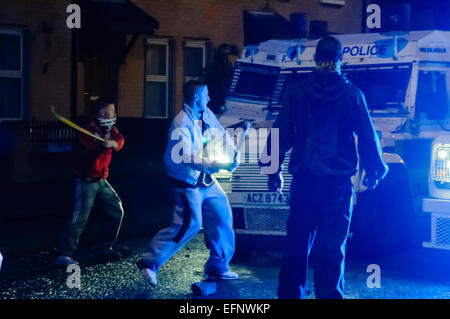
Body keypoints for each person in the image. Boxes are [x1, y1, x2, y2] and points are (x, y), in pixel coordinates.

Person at [262, 36, 389, 299]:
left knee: (297, 246)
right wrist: (374, 170)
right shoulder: (353, 95)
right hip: (336, 187)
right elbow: (368, 136)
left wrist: (272, 170)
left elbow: (280, 132)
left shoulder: (297, 93)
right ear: (341, 60)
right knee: (332, 250)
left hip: (304, 183)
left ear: (316, 59)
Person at [136, 80, 239, 286]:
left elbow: (220, 133)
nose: (209, 98)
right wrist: (216, 165)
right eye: (206, 94)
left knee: (222, 215)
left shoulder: (206, 113)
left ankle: (218, 267)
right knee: (188, 225)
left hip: (205, 179)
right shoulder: (181, 123)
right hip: (186, 181)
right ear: (196, 98)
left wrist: (232, 152)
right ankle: (150, 263)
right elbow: (187, 157)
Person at [53, 99, 127, 266]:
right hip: (86, 180)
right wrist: (101, 144)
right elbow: (91, 148)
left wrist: (112, 142)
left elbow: (120, 140)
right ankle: (63, 253)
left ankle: (105, 247)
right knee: (79, 216)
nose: (114, 115)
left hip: (102, 180)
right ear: (101, 114)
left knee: (116, 210)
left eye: (114, 112)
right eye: (110, 112)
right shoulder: (87, 131)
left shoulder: (110, 128)